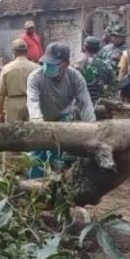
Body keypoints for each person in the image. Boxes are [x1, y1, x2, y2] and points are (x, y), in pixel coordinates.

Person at [26, 43, 95, 178]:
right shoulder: (36, 77)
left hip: (62, 120)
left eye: (54, 64)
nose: (48, 66)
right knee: (37, 157)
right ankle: (34, 185)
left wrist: (92, 128)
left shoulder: (75, 77)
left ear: (66, 63)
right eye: (47, 63)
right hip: (41, 120)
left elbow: (85, 103)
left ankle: (58, 184)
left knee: (60, 157)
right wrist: (37, 122)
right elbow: (32, 101)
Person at [0, 39, 40, 123]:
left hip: (14, 104)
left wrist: (0, 112)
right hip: (32, 104)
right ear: (26, 51)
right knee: (33, 132)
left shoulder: (7, 69)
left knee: (13, 132)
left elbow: (1, 94)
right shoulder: (37, 68)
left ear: (13, 52)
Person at [75, 36, 117, 105]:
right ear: (98, 49)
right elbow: (113, 87)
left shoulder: (76, 66)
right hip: (102, 104)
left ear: (84, 47)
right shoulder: (107, 66)